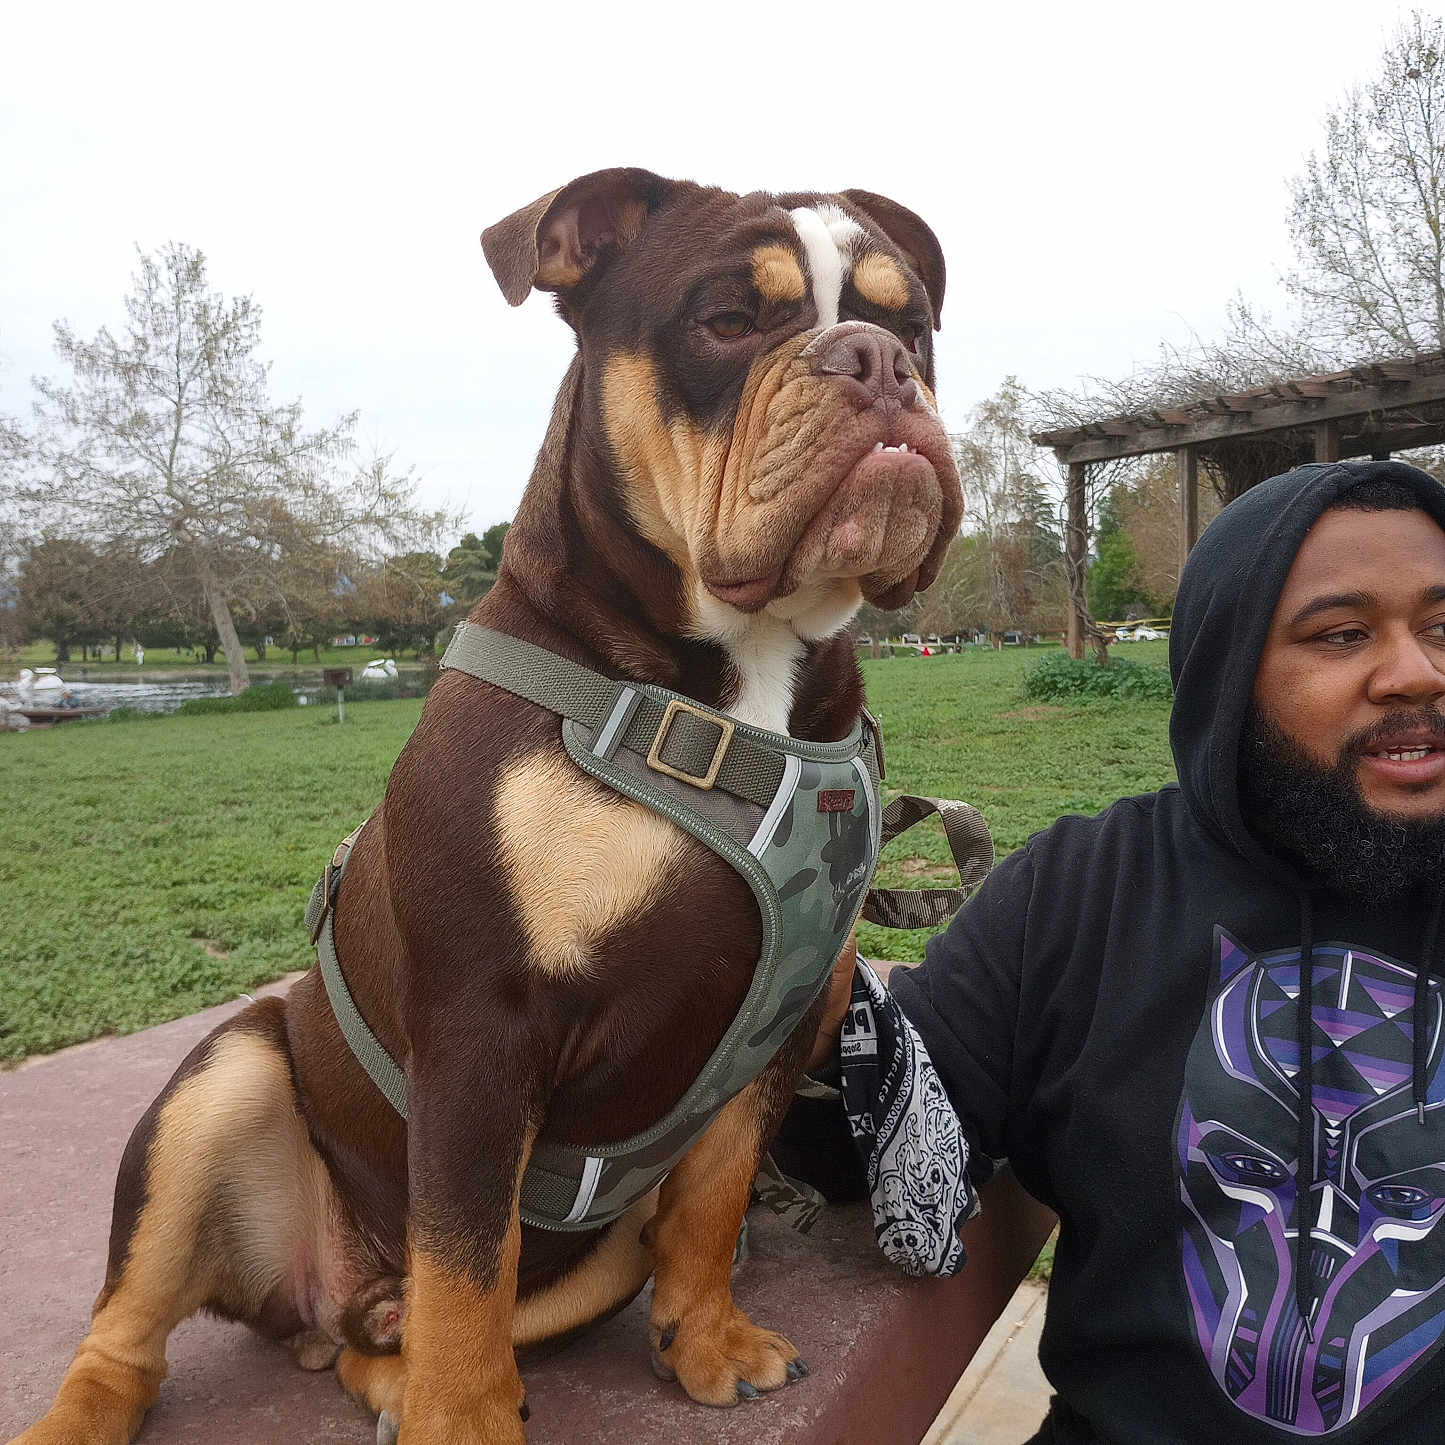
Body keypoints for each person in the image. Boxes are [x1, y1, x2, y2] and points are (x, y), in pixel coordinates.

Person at [799, 459, 1445, 1442]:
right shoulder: (1085, 892)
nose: (1415, 669)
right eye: (1342, 633)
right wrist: (766, 974)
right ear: (1228, 671)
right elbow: (865, 1132)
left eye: (1441, 625)